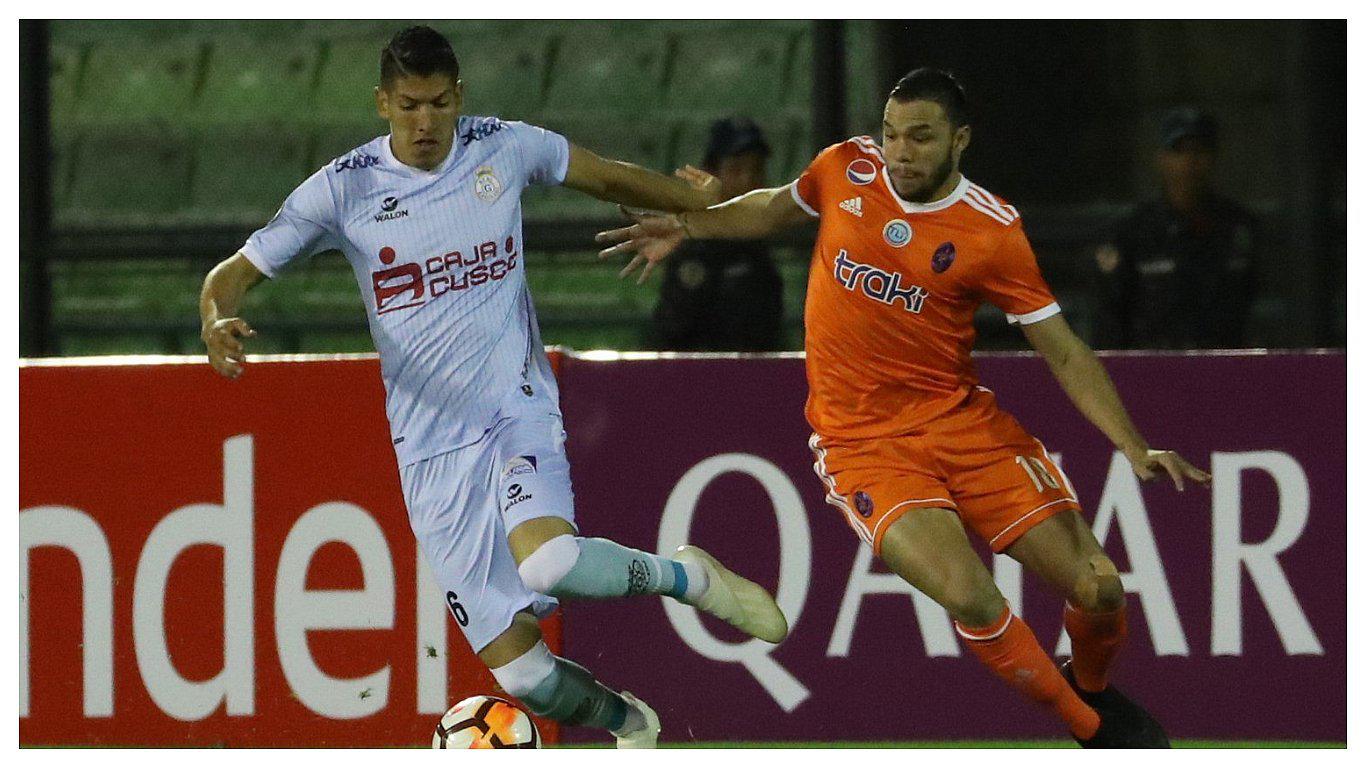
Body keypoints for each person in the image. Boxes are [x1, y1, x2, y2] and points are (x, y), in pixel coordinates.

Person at [198, 26, 787, 749]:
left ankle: (689, 579)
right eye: (409, 106)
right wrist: (216, 316)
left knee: (551, 561)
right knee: (527, 680)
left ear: (459, 98)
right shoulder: (343, 188)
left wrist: (696, 202)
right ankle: (633, 725)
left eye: (439, 103)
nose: (425, 122)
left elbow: (606, 177)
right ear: (382, 103)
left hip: (514, 405)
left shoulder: (501, 146)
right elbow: (234, 272)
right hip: (429, 450)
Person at [598, 68, 1211, 748]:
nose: (899, 153)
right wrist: (692, 223)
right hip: (864, 443)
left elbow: (1063, 351)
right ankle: (1094, 733)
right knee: (972, 595)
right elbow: (773, 208)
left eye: (920, 138)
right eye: (891, 135)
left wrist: (1133, 445)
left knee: (1100, 591)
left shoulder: (991, 231)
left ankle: (1090, 689)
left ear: (960, 140)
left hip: (964, 424)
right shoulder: (845, 169)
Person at [1091, 107, 1259, 349]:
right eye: (1179, 151)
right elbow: (1109, 320)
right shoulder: (1132, 232)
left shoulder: (1238, 229)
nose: (1190, 162)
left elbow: (1254, 309)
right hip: (1152, 364)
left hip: (1224, 364)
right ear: (1162, 159)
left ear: (1214, 158)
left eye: (1199, 151)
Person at [646, 117, 785, 351]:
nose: (748, 181)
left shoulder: (759, 247)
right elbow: (673, 334)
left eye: (756, 170)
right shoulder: (694, 247)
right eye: (736, 169)